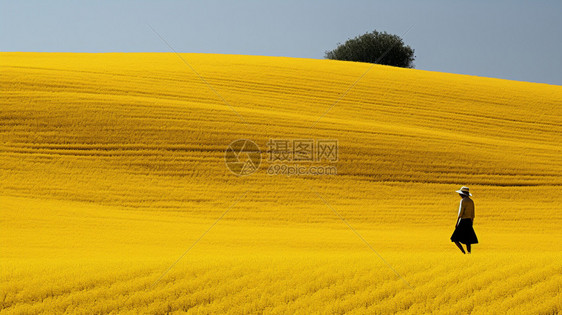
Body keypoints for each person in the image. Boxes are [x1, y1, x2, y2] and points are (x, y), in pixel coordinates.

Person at [450, 186, 478, 254]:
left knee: (454, 238)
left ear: (462, 194)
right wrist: (471, 223)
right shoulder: (471, 201)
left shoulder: (463, 201)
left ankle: (463, 252)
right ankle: (469, 253)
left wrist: (457, 223)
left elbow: (460, 213)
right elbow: (473, 214)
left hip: (463, 221)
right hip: (469, 221)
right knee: (468, 239)